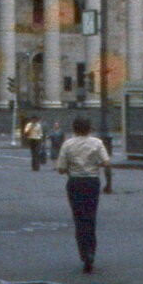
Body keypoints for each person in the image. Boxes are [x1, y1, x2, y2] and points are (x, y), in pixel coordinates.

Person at [56, 117, 112, 273]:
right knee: (90, 217)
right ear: (90, 128)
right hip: (92, 183)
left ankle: (83, 253)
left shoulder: (68, 144)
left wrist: (70, 169)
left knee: (79, 219)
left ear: (73, 128)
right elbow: (106, 164)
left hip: (75, 183)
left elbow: (61, 168)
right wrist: (108, 184)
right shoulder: (97, 143)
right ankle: (91, 252)